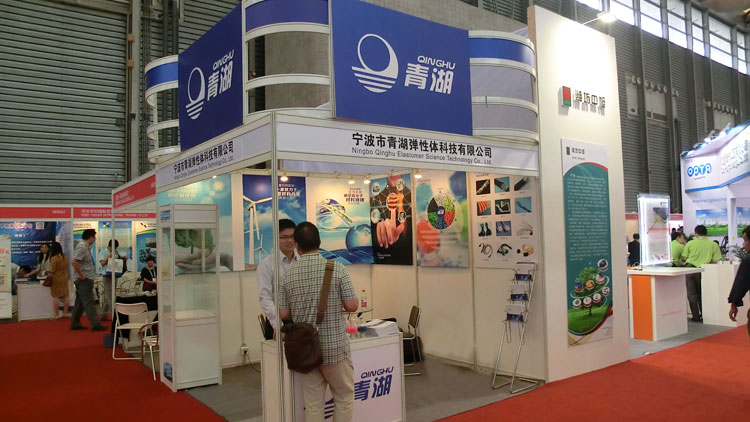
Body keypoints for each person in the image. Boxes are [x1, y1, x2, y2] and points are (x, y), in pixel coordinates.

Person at [279, 222, 358, 422]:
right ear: (320, 242)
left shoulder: (287, 276)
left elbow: (283, 313)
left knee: (313, 404)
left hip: (306, 350)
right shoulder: (337, 268)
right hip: (335, 347)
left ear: (297, 245)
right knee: (344, 397)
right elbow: (352, 305)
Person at [257, 219, 298, 340]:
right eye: (284, 237)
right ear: (276, 238)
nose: (289, 240)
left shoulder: (302, 260)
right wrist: (277, 324)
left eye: (292, 236)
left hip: (301, 320)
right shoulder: (266, 264)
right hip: (278, 321)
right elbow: (265, 297)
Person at [681, 225, 722, 322]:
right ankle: (705, 315)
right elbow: (715, 260)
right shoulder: (713, 244)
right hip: (704, 270)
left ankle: (696, 316)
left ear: (696, 233)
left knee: (691, 294)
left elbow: (684, 258)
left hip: (690, 269)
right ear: (706, 233)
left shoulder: (690, 243)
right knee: (702, 293)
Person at [70, 229, 106, 331]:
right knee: (89, 302)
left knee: (80, 303)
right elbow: (74, 261)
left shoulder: (85, 247)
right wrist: (81, 274)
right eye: (94, 237)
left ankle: (75, 323)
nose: (95, 239)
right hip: (83, 280)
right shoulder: (82, 247)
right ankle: (95, 324)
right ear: (90, 237)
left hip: (85, 279)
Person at [728, 226, 750, 337]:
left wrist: (734, 303)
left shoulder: (748, 260)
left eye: (745, 240)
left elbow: (741, 284)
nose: (743, 244)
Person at [99, 239, 127, 321]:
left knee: (111, 295)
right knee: (109, 296)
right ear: (109, 246)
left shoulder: (116, 252)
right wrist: (110, 256)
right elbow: (102, 263)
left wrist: (124, 258)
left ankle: (104, 314)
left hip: (114, 275)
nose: (114, 249)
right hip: (107, 276)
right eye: (113, 248)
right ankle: (114, 315)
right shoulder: (103, 252)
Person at [47, 242, 70, 319]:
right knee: (66, 296)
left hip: (56, 278)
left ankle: (56, 314)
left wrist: (48, 270)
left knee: (56, 296)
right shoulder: (65, 257)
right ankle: (65, 313)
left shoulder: (54, 258)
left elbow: (52, 270)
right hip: (64, 277)